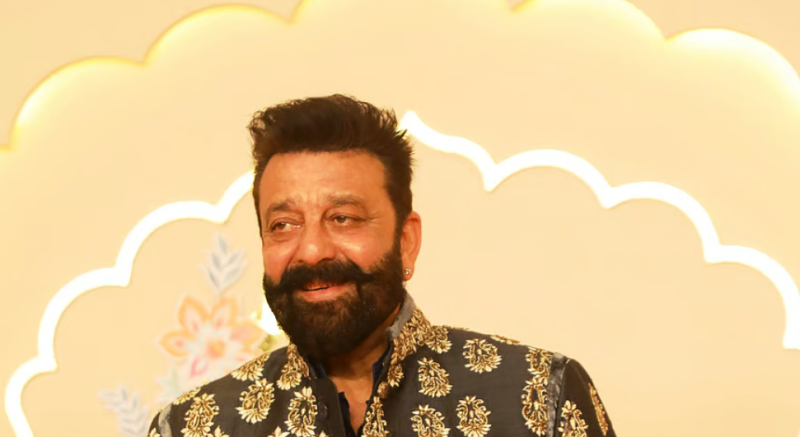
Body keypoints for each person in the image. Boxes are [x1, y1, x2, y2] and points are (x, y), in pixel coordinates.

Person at [147, 95, 616, 437]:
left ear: (406, 241)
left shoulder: (539, 394)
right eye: (283, 225)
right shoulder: (193, 425)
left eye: (343, 218)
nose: (311, 251)